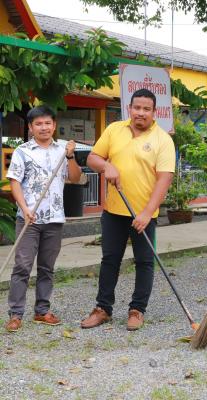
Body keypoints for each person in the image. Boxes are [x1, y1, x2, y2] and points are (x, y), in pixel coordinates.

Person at [81, 89, 175, 330]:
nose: (141, 113)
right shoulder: (114, 130)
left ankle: (137, 310)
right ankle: (103, 308)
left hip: (144, 214)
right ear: (129, 108)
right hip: (114, 211)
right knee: (110, 260)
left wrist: (147, 213)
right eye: (137, 108)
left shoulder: (163, 140)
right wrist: (106, 166)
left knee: (144, 262)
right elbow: (92, 158)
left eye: (146, 109)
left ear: (154, 112)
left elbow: (164, 180)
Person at [5, 105, 81, 332]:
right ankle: (16, 314)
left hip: (54, 219)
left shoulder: (62, 150)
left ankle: (42, 311)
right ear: (30, 127)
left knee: (47, 267)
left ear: (54, 125)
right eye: (38, 124)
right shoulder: (23, 152)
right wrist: (24, 208)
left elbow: (75, 177)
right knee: (22, 266)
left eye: (48, 123)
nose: (44, 127)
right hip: (29, 219)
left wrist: (71, 156)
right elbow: (14, 182)